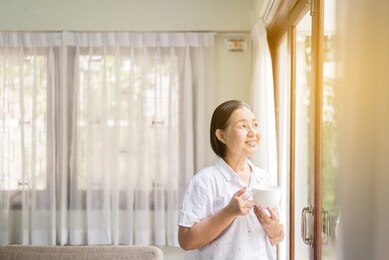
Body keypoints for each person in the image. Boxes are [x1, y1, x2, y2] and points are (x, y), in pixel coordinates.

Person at [178, 100, 284, 260]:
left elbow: (277, 237)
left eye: (255, 125)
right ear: (221, 136)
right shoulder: (204, 181)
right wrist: (229, 212)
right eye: (243, 126)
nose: (252, 132)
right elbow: (186, 240)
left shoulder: (263, 178)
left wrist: (273, 227)